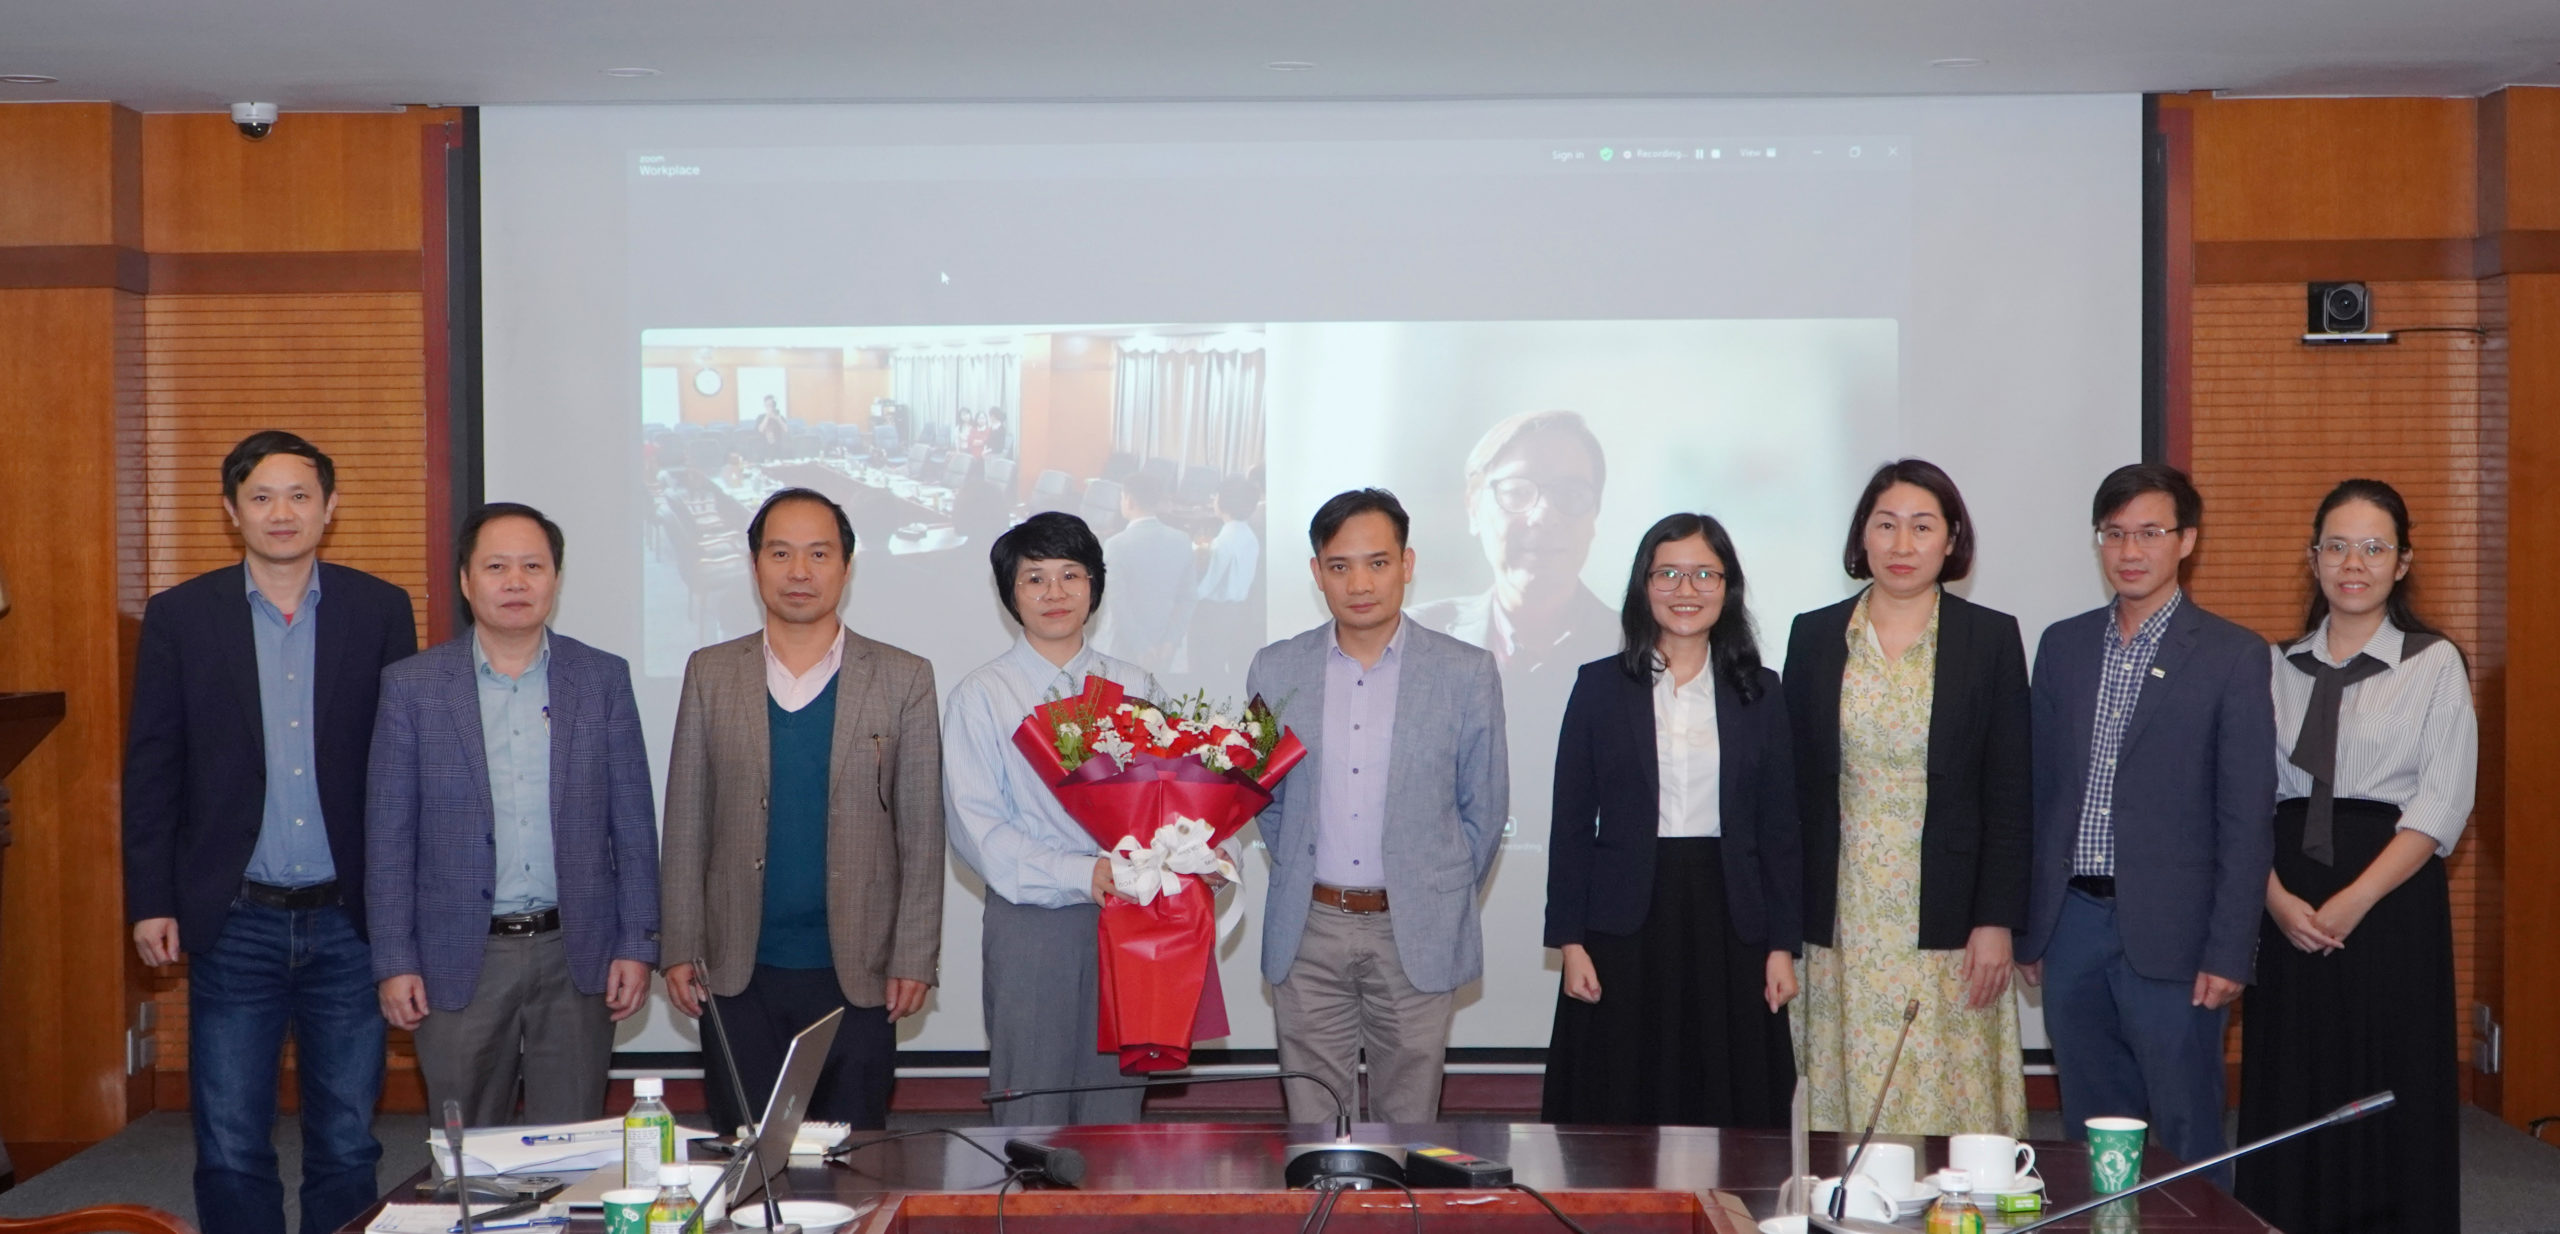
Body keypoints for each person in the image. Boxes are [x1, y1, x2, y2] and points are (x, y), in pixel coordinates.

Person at [123, 430, 419, 1234]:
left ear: (330, 507)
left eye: (298, 495)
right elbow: (153, 766)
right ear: (232, 512)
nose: (280, 512)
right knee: (229, 1143)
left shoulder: (379, 609)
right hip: (236, 919)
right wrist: (151, 900)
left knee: (348, 1143)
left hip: (349, 921)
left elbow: (403, 770)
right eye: (260, 497)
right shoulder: (181, 616)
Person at [2017, 463, 2274, 1187]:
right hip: (2073, 925)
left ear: (2187, 540)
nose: (2130, 551)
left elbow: (2245, 817)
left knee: (2189, 1132)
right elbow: (2040, 794)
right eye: (2114, 533)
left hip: (2178, 938)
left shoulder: (2232, 654)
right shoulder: (2063, 646)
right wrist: (2033, 925)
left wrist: (2230, 949)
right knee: (2090, 1133)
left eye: (2150, 533)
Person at [659, 487, 945, 1130]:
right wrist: (680, 944)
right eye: (780, 553)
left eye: (819, 554)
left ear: (846, 566)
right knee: (747, 1153)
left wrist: (913, 955)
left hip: (860, 969)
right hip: (737, 967)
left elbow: (923, 833)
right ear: (754, 564)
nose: (799, 571)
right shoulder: (711, 672)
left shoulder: (904, 677)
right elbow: (686, 820)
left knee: (852, 1158)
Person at [366, 502, 660, 1124]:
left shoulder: (602, 678)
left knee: (571, 1145)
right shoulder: (413, 687)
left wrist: (637, 943)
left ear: (556, 578)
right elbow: (388, 837)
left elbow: (633, 826)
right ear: (466, 580)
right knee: (466, 1151)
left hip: (576, 949)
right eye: (496, 566)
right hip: (458, 954)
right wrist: (395, 960)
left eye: (533, 565)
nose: (516, 581)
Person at [2235, 479, 2475, 1234]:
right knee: (2291, 1075)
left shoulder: (2433, 662)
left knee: (2388, 1074)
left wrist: (2357, 898)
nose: (2353, 564)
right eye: (2337, 546)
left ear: (2402, 563)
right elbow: (2244, 799)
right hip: (2288, 894)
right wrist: (2275, 898)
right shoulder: (2272, 665)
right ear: (2313, 558)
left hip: (2391, 895)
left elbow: (2443, 800)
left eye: (2374, 548)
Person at [944, 512, 1219, 1124]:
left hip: (1135, 921)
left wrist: (1196, 852)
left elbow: (1174, 800)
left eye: (1071, 574)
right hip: (1032, 923)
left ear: (1094, 585)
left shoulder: (1136, 685)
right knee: (1031, 1112)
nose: (1055, 592)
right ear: (1010, 592)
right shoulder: (982, 695)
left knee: (1115, 1111)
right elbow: (977, 829)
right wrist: (1083, 872)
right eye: (1034, 578)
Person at [1784, 460, 2031, 1137]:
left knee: (1944, 1104)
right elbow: (1793, 789)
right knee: (1848, 1109)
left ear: (1951, 540)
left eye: (1922, 527)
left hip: (1949, 915)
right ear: (1862, 536)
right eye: (1885, 525)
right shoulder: (1814, 636)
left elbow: (2010, 792)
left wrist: (1996, 920)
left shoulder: (1989, 638)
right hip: (1842, 915)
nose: (1902, 544)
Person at [1247, 488, 1508, 1123]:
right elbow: (1265, 799)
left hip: (1414, 927)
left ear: (1407, 564)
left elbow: (1483, 809)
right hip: (1310, 927)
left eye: (1378, 563)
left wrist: (1431, 889)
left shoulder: (1466, 671)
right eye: (1340, 566)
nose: (1360, 583)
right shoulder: (1274, 669)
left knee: (1408, 1125)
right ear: (1317, 573)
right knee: (1314, 1127)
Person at [1542, 513, 1802, 1127]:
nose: (1687, 590)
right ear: (1644, 585)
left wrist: (1781, 948)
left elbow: (1780, 831)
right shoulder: (1599, 687)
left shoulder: (1760, 692)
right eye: (1669, 574)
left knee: (1730, 1098)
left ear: (1727, 587)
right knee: (1620, 1098)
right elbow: (1571, 826)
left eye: (1705, 574)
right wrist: (1571, 942)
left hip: (1730, 919)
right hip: (1622, 922)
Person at [1413, 410, 1618, 724]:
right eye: (1517, 492)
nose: (1544, 516)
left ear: (1595, 515)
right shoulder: (1416, 642)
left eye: (1571, 494)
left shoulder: (1641, 651)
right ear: (1473, 509)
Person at [1092, 470, 1198, 672]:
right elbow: (1188, 598)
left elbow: (1117, 602)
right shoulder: (1182, 541)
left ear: (1129, 501)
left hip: (1123, 646)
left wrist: (1141, 647)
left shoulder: (1116, 545)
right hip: (1165, 647)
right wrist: (1171, 641)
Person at [1191, 476, 1264, 687]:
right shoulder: (1249, 535)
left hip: (1215, 613)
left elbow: (1209, 584)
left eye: (1216, 496)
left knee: (1207, 671)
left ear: (1224, 501)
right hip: (1239, 611)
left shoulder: (1226, 539)